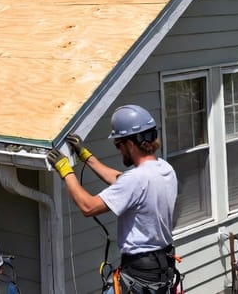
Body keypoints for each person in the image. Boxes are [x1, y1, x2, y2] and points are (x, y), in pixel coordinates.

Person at [47, 105, 178, 294]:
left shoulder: (135, 180)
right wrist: (87, 156)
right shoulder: (165, 169)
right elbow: (121, 181)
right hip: (160, 272)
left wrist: (66, 171)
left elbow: (88, 206)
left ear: (130, 144)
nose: (119, 150)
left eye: (118, 145)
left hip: (138, 278)